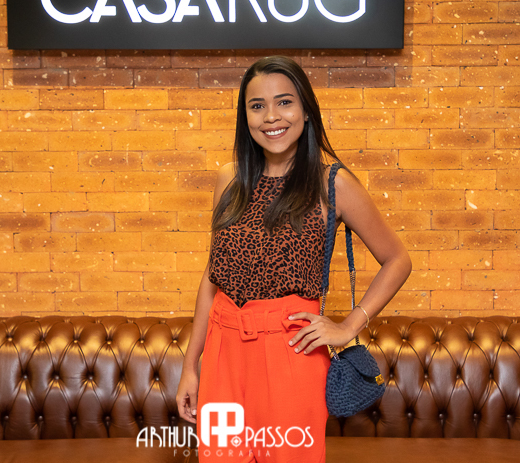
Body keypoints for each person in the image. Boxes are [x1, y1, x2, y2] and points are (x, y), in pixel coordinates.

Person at [175, 56, 412, 463]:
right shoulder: (230, 179)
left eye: (284, 102)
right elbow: (213, 276)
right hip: (223, 351)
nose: (271, 116)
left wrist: (349, 325)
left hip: (291, 351)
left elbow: (397, 259)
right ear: (245, 116)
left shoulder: (332, 183)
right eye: (257, 106)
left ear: (305, 109)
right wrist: (190, 366)